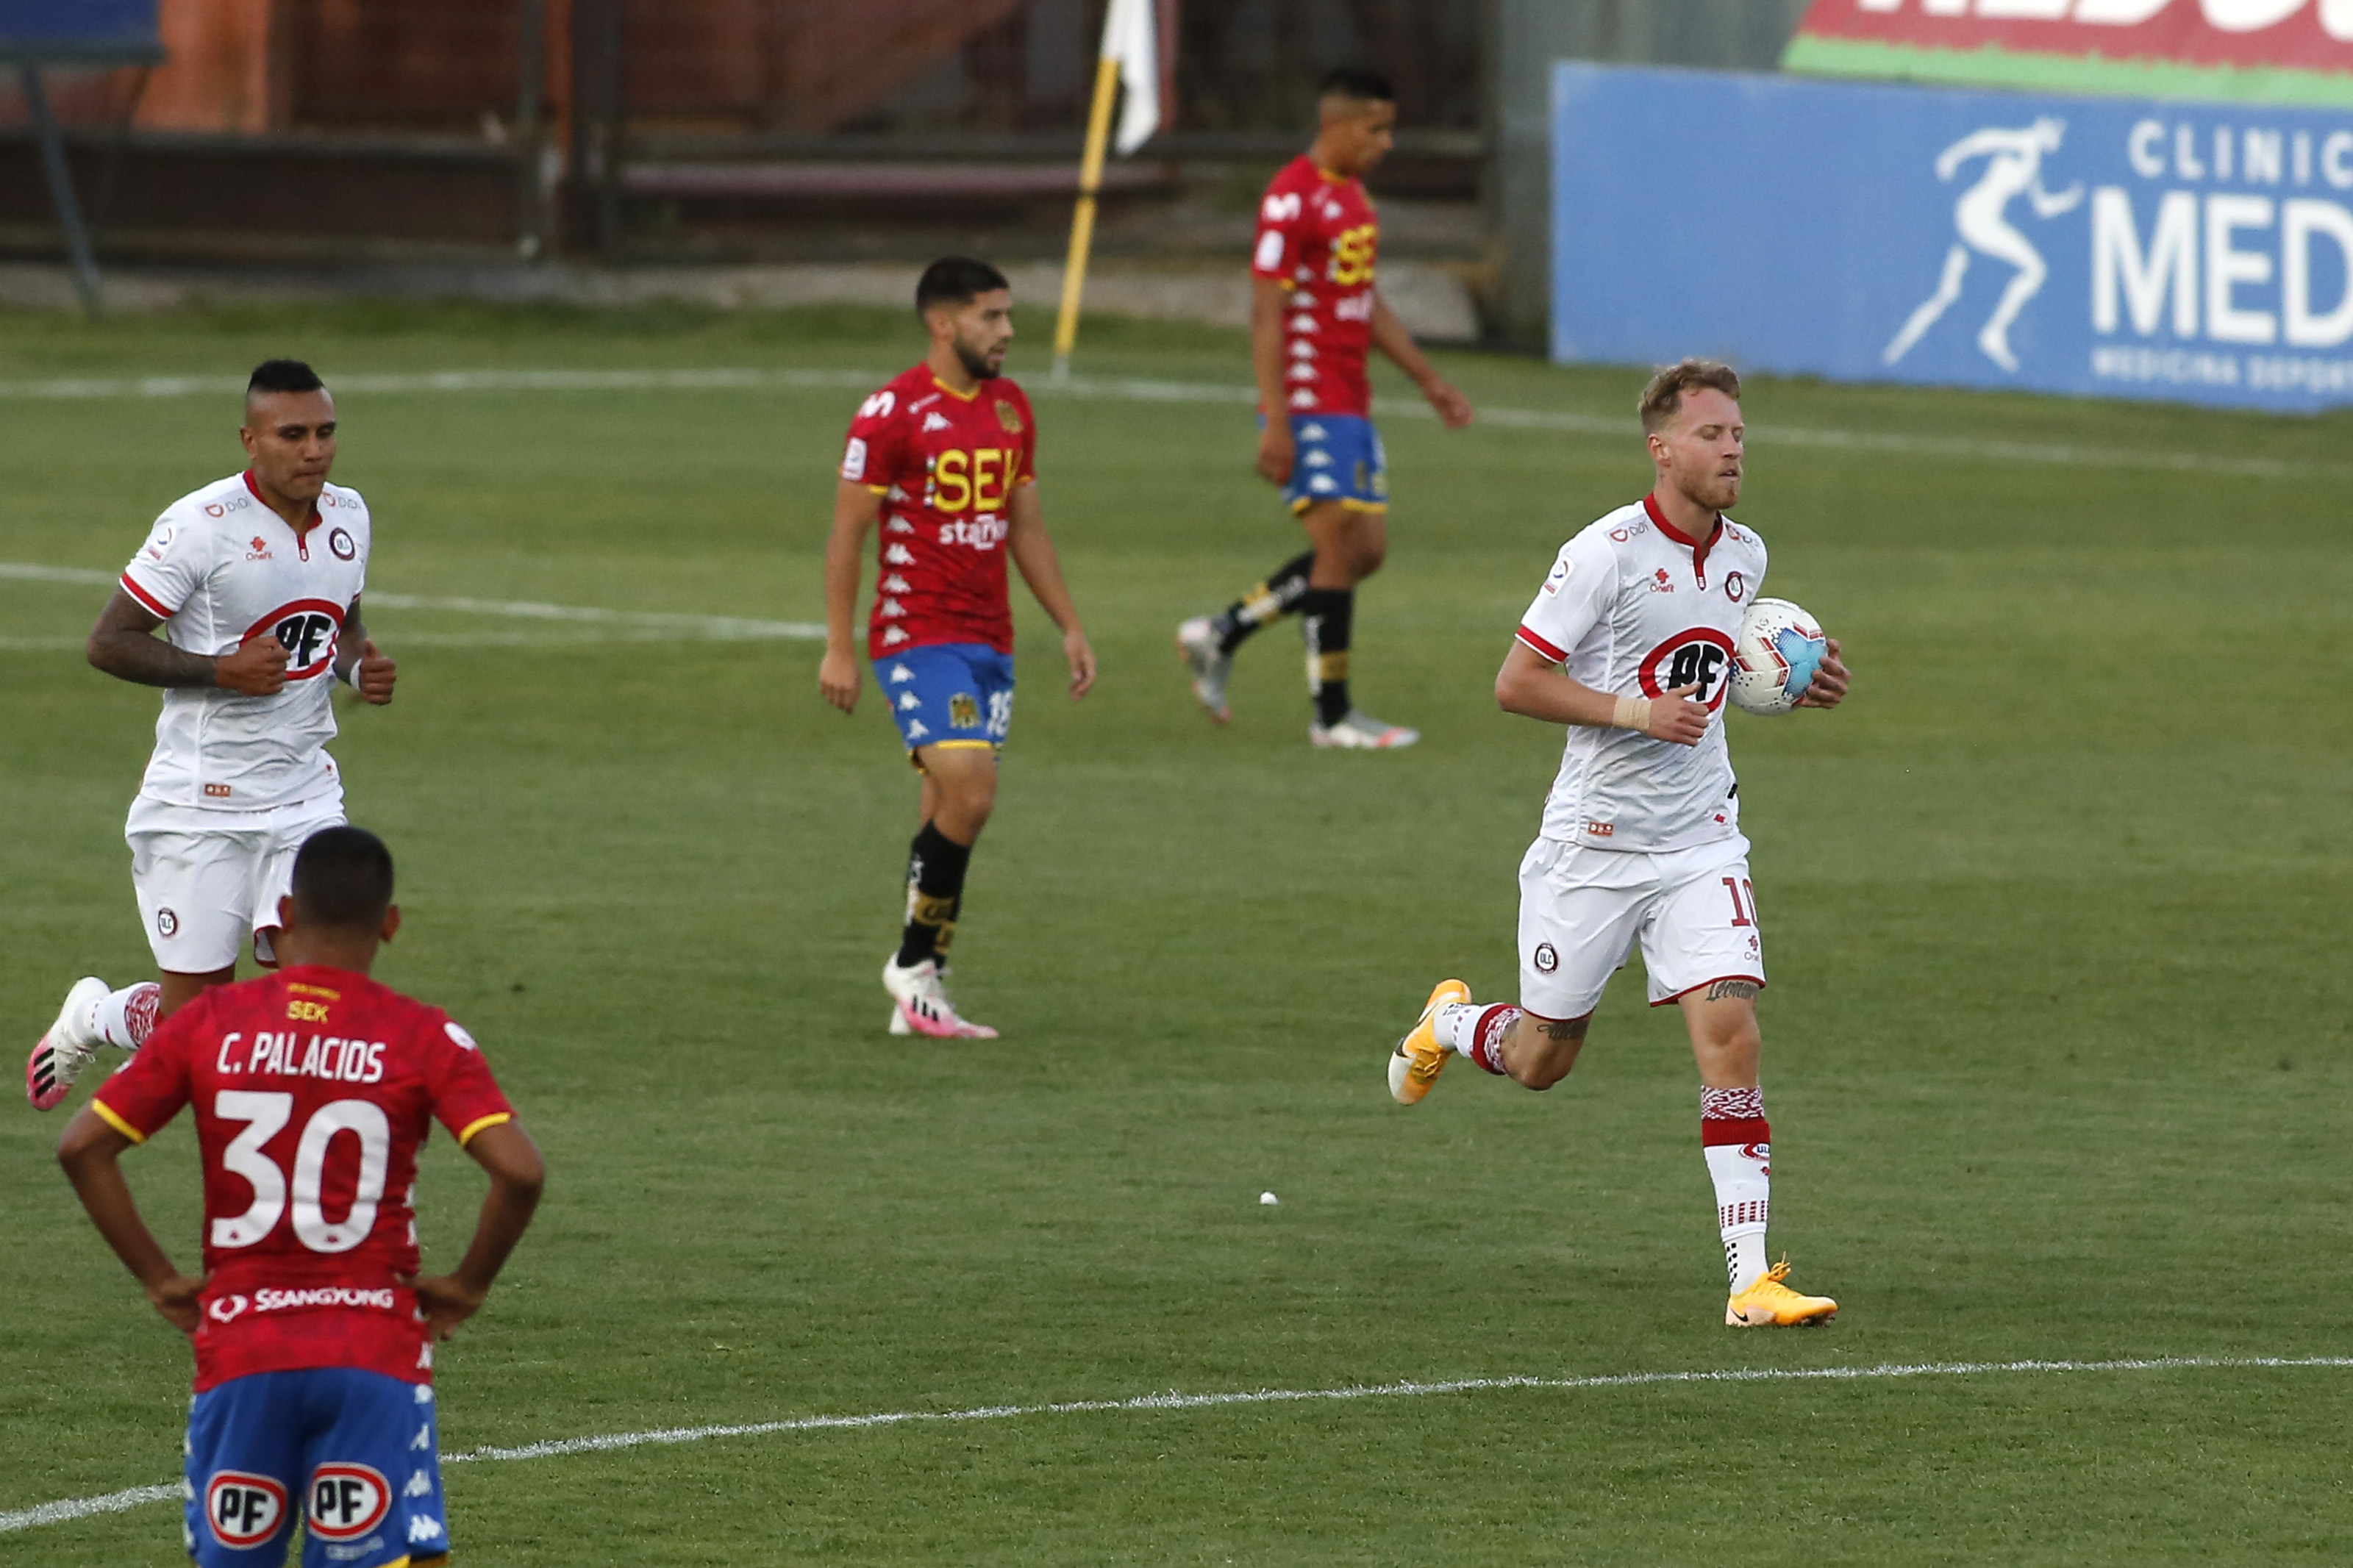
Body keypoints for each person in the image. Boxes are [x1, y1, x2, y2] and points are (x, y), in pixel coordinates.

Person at [1386, 359, 1852, 1328]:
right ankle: (1453, 1023)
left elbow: (1718, 660)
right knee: (1543, 1059)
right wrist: (1631, 711)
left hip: (1701, 843)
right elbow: (1516, 682)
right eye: (1714, 435)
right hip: (1591, 853)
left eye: (1739, 435)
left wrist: (1793, 678)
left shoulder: (1747, 558)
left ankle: (1751, 1279)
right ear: (1662, 448)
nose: (1733, 450)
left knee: (1732, 1036)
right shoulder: (1601, 553)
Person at [55, 826, 543, 1568]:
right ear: (389, 923)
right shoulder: (423, 1036)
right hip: (373, 1351)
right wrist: (468, 1285)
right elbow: (520, 1171)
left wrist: (160, 1281)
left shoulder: (210, 1026)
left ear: (279, 913)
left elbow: (83, 1146)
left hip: (243, 1349)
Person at [27, 359, 397, 1111]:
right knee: (197, 1027)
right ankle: (95, 1016)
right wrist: (219, 671)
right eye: (292, 435)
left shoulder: (349, 516)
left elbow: (341, 626)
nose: (314, 451)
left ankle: (300, 1177)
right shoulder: (201, 526)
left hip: (302, 795)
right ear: (250, 440)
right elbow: (110, 642)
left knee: (315, 1002)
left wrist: (359, 670)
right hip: (199, 803)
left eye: (325, 432)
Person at [819, 257, 1096, 1039]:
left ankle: (922, 991)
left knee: (949, 805)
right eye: (991, 317)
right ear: (944, 324)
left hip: (989, 640)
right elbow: (846, 534)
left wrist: (1068, 625)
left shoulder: (1010, 410)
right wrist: (838, 647)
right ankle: (912, 965)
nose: (1007, 332)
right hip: (916, 634)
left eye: (1008, 316)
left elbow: (1026, 526)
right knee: (971, 792)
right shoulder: (890, 413)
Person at [1174, 66, 1473, 748]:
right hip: (1308, 401)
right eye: (1376, 128)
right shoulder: (1289, 200)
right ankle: (1331, 716)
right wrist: (1276, 417)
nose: (1386, 142)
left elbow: (1364, 303)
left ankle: (1220, 633)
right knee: (1337, 544)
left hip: (1351, 402)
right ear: (1335, 125)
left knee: (1365, 550)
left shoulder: (1354, 202)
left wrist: (1428, 379)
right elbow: (1264, 312)